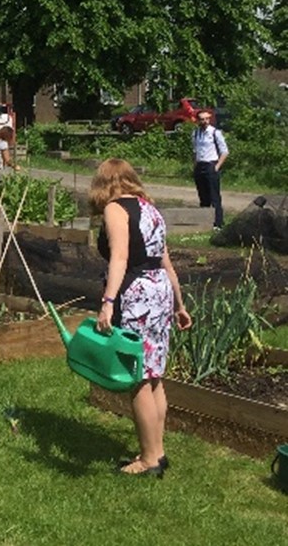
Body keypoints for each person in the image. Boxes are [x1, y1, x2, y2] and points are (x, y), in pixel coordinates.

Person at [89, 158, 192, 477]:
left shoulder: (115, 208)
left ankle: (149, 460)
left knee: (138, 378)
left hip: (136, 295)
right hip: (159, 290)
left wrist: (108, 302)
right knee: (154, 375)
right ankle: (157, 452)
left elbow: (119, 258)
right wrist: (178, 304)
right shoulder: (150, 209)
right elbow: (166, 263)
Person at [191, 109, 228, 230]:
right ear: (198, 120)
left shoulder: (215, 133)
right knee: (203, 195)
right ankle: (205, 222)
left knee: (214, 196)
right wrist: (195, 165)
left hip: (211, 164)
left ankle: (218, 223)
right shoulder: (196, 133)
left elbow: (224, 151)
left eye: (207, 119)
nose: (205, 121)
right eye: (202, 119)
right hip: (200, 165)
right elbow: (195, 151)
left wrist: (217, 166)